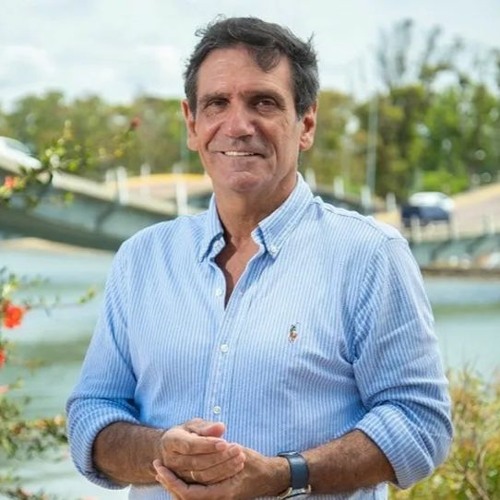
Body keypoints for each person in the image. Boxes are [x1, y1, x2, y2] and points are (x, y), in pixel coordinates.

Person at [66, 16, 453, 500]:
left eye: (263, 102)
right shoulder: (141, 259)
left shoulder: (370, 256)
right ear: (192, 124)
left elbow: (420, 424)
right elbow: (91, 415)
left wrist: (283, 475)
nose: (237, 126)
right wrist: (163, 451)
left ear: (306, 123)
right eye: (216, 104)